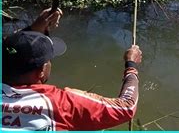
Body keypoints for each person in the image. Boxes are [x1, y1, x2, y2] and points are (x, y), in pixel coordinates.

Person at [2, 8, 142, 130]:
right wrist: (131, 65)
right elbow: (126, 108)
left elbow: (7, 48)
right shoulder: (60, 104)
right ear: (42, 71)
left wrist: (32, 29)